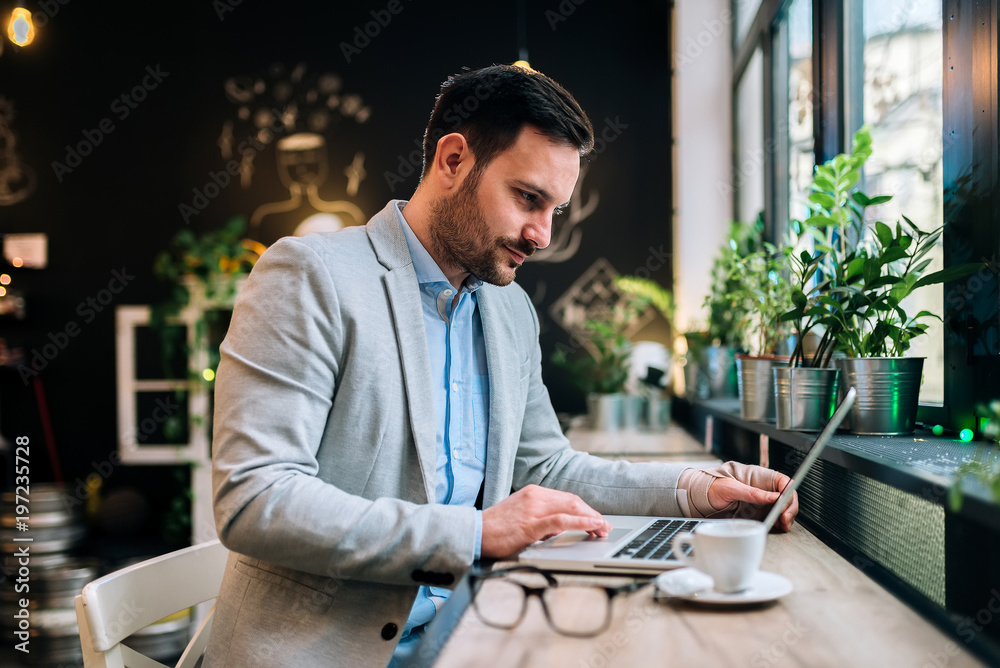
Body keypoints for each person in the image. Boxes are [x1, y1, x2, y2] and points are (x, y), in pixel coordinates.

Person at [202, 64, 798, 668]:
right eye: (527, 198)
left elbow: (546, 466)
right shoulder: (309, 275)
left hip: (468, 636)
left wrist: (697, 491)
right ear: (454, 160)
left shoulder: (509, 309)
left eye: (555, 211)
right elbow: (256, 498)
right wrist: (476, 534)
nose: (541, 235)